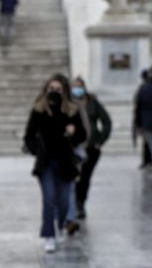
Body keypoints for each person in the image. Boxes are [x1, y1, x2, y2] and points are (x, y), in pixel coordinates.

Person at [24, 74, 87, 253]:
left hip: (66, 162)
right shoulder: (39, 110)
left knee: (64, 202)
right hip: (46, 163)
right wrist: (38, 149)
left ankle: (59, 226)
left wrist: (73, 132)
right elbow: (28, 136)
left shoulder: (72, 111)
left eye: (58, 90)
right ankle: (49, 235)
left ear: (65, 91)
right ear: (46, 90)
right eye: (51, 89)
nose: (54, 93)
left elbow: (82, 136)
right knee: (49, 198)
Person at [71, 78, 112, 220]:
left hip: (91, 147)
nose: (77, 89)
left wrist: (100, 140)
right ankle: (73, 204)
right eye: (74, 87)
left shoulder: (93, 102)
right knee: (74, 177)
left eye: (79, 86)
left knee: (85, 177)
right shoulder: (68, 104)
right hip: (73, 148)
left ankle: (80, 203)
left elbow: (107, 121)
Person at [135, 67, 152, 168]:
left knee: (147, 144)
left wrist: (138, 124)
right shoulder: (144, 89)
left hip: (146, 123)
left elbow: (138, 108)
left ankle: (147, 161)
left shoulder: (143, 88)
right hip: (147, 123)